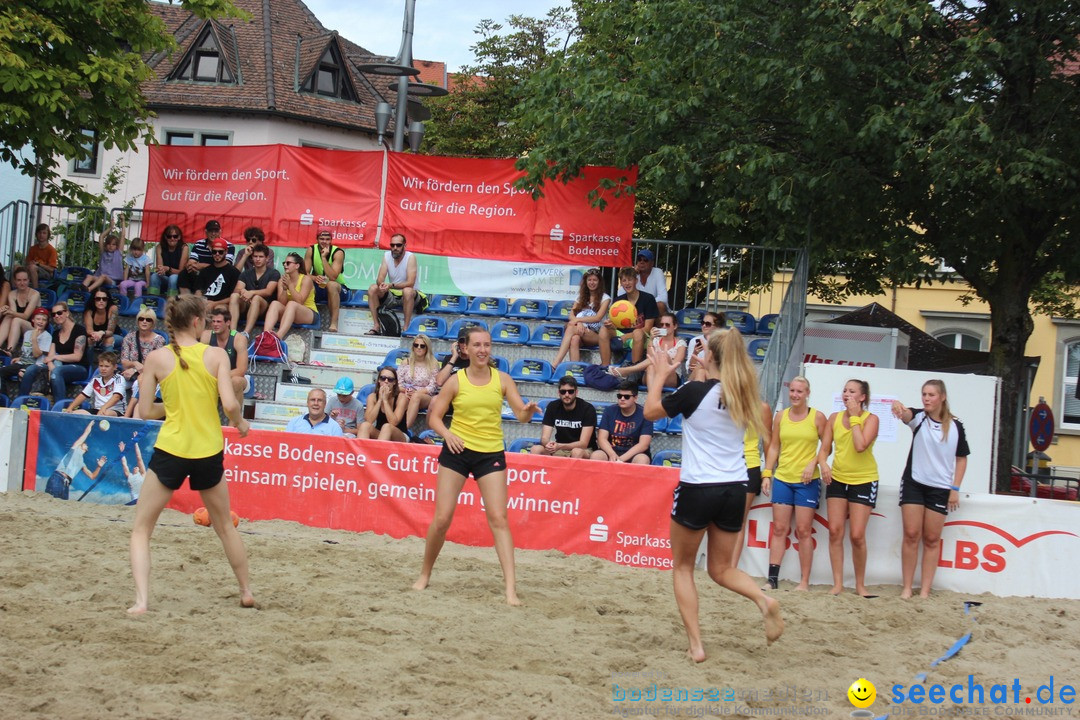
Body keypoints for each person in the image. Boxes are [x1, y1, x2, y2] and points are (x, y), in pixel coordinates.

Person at [642, 329, 783, 660]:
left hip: (699, 486)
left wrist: (661, 374)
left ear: (712, 357)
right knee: (721, 570)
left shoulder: (694, 391)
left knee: (683, 568)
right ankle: (764, 600)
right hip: (735, 487)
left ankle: (696, 645)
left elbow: (650, 411)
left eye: (704, 350)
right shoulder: (745, 395)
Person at [128, 294, 254, 614]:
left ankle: (142, 601)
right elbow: (228, 405)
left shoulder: (157, 358)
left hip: (172, 448)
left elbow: (144, 411)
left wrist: (172, 407)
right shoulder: (215, 356)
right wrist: (240, 424)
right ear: (198, 322)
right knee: (225, 526)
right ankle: (246, 591)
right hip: (207, 450)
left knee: (142, 529)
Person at [413, 328, 539, 605]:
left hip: (490, 453)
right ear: (466, 349)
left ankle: (510, 589)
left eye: (487, 345)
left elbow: (520, 415)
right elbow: (434, 418)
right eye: (477, 345)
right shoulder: (456, 381)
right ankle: (425, 573)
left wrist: (527, 412)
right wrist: (447, 435)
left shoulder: (503, 379)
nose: (483, 350)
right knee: (442, 518)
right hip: (457, 450)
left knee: (498, 518)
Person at [891, 379, 970, 599]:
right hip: (914, 483)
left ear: (942, 397)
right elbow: (904, 413)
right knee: (911, 534)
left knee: (932, 539)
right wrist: (897, 405)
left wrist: (955, 488)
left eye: (931, 395)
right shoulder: (919, 418)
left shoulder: (956, 425)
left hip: (940, 487)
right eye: (924, 394)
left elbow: (961, 459)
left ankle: (925, 590)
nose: (926, 398)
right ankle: (907, 587)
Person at [761, 376, 827, 591]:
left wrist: (813, 463)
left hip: (807, 481)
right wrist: (767, 473)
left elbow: (826, 448)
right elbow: (773, 447)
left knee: (803, 530)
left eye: (800, 391)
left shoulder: (817, 417)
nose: (796, 395)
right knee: (779, 528)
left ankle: (804, 581)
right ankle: (772, 579)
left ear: (808, 393)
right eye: (793, 391)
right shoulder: (781, 416)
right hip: (783, 478)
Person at [818, 379, 880, 597]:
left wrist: (855, 418)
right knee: (835, 531)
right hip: (838, 478)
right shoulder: (834, 418)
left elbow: (860, 445)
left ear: (862, 397)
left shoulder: (871, 419)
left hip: (863, 479)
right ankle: (837, 584)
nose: (846, 394)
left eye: (852, 391)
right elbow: (824, 449)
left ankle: (860, 585)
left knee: (857, 535)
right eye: (844, 390)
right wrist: (824, 463)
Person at [731, 399, 775, 571]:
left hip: (749, 465)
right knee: (721, 520)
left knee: (738, 521)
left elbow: (768, 442)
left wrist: (768, 472)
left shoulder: (762, 407)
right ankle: (721, 566)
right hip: (725, 465)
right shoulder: (725, 402)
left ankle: (731, 568)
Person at [19, 304, 89, 400]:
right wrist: (51, 363)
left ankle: (58, 406)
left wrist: (55, 358)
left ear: (67, 313)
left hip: (79, 368)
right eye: (54, 314)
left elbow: (77, 356)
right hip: (58, 366)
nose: (56, 316)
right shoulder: (56, 333)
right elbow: (50, 356)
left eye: (59, 313)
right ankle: (21, 400)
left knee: (57, 371)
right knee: (31, 369)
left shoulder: (79, 330)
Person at [598, 266, 659, 365]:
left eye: (630, 280)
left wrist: (627, 336)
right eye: (624, 280)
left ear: (636, 280)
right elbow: (615, 326)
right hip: (621, 335)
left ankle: (634, 372)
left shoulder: (648, 299)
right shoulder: (618, 300)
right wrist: (610, 325)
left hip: (641, 336)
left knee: (638, 333)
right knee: (603, 330)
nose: (627, 283)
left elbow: (648, 328)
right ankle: (605, 367)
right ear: (621, 283)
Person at [551, 268, 611, 367]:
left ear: (599, 282)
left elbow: (597, 318)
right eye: (589, 280)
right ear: (586, 282)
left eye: (595, 280)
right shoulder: (580, 297)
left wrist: (578, 320)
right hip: (580, 331)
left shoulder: (605, 298)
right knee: (574, 339)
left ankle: (556, 364)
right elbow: (571, 315)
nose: (592, 282)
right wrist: (579, 323)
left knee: (570, 327)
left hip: (597, 335)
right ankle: (575, 369)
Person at [613, 312, 687, 388]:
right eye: (662, 325)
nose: (664, 327)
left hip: (670, 376)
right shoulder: (655, 340)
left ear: (675, 326)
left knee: (662, 355)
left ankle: (629, 370)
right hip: (652, 374)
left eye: (667, 325)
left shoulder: (681, 344)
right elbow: (649, 359)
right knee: (651, 366)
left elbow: (674, 365)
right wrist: (651, 339)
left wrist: (664, 357)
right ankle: (652, 397)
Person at [531, 376, 596, 458]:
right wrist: (549, 444)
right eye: (563, 392)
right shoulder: (552, 406)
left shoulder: (587, 409)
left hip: (583, 450)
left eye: (570, 391)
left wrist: (559, 446)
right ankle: (541, 471)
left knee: (576, 452)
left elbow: (583, 443)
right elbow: (544, 438)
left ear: (576, 392)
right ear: (559, 393)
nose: (567, 394)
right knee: (535, 449)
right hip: (559, 449)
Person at [367, 233, 418, 336]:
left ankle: (406, 328)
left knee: (407, 291)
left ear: (404, 246)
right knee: (373, 288)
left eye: (398, 245)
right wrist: (382, 285)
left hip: (410, 296)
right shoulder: (386, 255)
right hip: (393, 295)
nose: (395, 248)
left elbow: (410, 283)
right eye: (392, 245)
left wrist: (391, 285)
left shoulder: (410, 257)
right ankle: (377, 325)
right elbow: (380, 278)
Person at [591, 380, 653, 464]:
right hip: (611, 451)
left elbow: (643, 444)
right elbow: (602, 439)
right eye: (619, 396)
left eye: (626, 397)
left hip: (634, 454)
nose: (622, 399)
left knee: (642, 459)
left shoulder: (645, 414)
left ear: (635, 398)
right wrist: (612, 455)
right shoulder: (609, 411)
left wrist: (621, 459)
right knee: (596, 456)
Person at [44, 422, 105, 500]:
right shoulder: (74, 449)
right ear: (81, 445)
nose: (86, 444)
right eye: (84, 443)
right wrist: (90, 425)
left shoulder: (82, 463)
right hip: (58, 478)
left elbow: (92, 476)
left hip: (66, 484)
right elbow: (85, 434)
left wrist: (99, 467)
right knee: (51, 503)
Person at [228, 242, 279, 335]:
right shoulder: (246, 273)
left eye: (261, 256)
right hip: (247, 305)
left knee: (256, 298)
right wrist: (242, 291)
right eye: (255, 256)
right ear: (252, 258)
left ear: (267, 258)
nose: (257, 259)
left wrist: (251, 292)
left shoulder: (274, 273)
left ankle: (246, 333)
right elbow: (237, 290)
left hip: (264, 308)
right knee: (234, 296)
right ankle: (232, 332)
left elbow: (268, 291)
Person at [262, 252, 317, 339]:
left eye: (288, 263)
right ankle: (265, 335)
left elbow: (300, 301)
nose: (285, 265)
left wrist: (290, 285)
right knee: (275, 304)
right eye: (284, 263)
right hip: (290, 311)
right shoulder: (282, 280)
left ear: (297, 266)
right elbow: (282, 303)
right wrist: (284, 289)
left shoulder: (306, 279)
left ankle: (278, 337)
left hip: (308, 312)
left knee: (292, 304)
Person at [200, 307, 249, 399]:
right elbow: (201, 362)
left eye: (219, 322)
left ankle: (236, 413)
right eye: (213, 321)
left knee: (236, 381)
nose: (215, 324)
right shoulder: (206, 336)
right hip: (212, 377)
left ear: (228, 323)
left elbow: (241, 371)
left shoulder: (239, 339)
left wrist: (218, 377)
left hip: (233, 376)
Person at [304, 228, 347, 333]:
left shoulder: (338, 252)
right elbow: (304, 273)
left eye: (327, 239)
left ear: (331, 240)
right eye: (321, 239)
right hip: (320, 286)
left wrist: (324, 258)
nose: (324, 242)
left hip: (339, 288)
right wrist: (314, 277)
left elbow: (332, 277)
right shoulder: (311, 250)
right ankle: (305, 320)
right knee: (305, 283)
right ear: (317, 239)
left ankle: (333, 323)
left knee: (331, 285)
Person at [0, 306, 51, 394]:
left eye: (44, 320)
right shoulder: (27, 333)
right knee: (1, 372)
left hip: (35, 365)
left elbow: (36, 355)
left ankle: (21, 398)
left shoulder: (47, 336)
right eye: (38, 319)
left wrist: (34, 339)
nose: (41, 322)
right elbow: (26, 351)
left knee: (22, 373)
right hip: (23, 363)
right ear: (33, 320)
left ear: (46, 322)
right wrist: (20, 358)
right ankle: (4, 400)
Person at [179, 220, 233, 295]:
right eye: (211, 231)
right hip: (200, 274)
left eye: (216, 231)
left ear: (220, 232)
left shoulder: (229, 246)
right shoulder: (198, 244)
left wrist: (201, 266)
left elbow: (226, 266)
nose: (213, 233)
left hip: (219, 275)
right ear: (206, 232)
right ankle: (187, 301)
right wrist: (193, 265)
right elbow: (191, 262)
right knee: (184, 273)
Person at [357, 366, 410, 442]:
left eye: (390, 379)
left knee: (387, 427)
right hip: (380, 434)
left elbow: (393, 422)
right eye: (383, 378)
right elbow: (369, 420)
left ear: (395, 382)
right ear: (379, 380)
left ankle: (379, 453)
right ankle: (362, 453)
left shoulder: (401, 398)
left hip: (400, 435)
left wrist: (385, 400)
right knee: (365, 426)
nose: (386, 381)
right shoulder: (372, 397)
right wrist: (379, 400)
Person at [65, 351, 125, 416]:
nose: (103, 369)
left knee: (105, 413)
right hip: (98, 410)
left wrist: (103, 408)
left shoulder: (119, 379)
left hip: (116, 411)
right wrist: (70, 408)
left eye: (107, 366)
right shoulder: (95, 379)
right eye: (101, 366)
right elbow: (83, 395)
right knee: (76, 414)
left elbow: (116, 397)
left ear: (115, 367)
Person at [401, 333, 440, 431]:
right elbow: (398, 382)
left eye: (422, 346)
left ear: (427, 348)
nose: (419, 348)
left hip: (424, 396)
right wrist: (406, 391)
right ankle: (394, 426)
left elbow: (432, 387)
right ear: (413, 347)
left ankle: (405, 428)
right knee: (402, 397)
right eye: (416, 345)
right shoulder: (406, 362)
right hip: (407, 392)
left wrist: (416, 392)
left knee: (416, 396)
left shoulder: (433, 363)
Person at [1, 267, 42, 357]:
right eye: (19, 280)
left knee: (16, 319)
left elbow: (26, 316)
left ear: (29, 280)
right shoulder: (12, 294)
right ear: (15, 281)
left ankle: (9, 350)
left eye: (25, 280)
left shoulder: (35, 294)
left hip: (35, 328)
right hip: (19, 325)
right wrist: (4, 310)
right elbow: (13, 312)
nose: (22, 283)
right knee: (9, 317)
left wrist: (9, 311)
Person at [195, 238, 241, 310]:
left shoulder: (234, 272)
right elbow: (198, 290)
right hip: (205, 303)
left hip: (222, 305)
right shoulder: (204, 271)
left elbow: (234, 297)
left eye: (220, 252)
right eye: (214, 251)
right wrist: (201, 302)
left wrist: (214, 304)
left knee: (219, 309)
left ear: (226, 252)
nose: (217, 254)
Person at [83, 218, 125, 292]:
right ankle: (81, 289)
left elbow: (123, 236)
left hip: (112, 281)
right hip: (99, 279)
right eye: (108, 244)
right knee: (89, 276)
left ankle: (88, 289)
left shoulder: (118, 253)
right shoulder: (103, 253)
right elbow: (101, 237)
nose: (111, 246)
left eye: (113, 244)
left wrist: (123, 221)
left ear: (116, 246)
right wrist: (110, 228)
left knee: (103, 276)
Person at [686, 312, 723, 382]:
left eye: (708, 324)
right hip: (695, 374)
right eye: (702, 323)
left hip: (717, 375)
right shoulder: (694, 341)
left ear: (717, 327)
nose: (704, 326)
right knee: (700, 370)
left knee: (701, 370)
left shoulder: (723, 342)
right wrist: (695, 353)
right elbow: (690, 368)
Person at [152, 225, 188, 296]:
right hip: (165, 277)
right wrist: (161, 270)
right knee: (154, 276)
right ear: (165, 237)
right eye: (169, 236)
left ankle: (171, 302)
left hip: (178, 279)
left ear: (179, 237)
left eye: (175, 236)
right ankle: (153, 301)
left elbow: (181, 272)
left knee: (173, 278)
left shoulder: (184, 247)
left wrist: (168, 269)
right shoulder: (159, 247)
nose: (172, 238)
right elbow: (159, 268)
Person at [634, 249, 669, 317]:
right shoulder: (633, 273)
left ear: (652, 263)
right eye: (639, 259)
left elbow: (663, 297)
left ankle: (660, 327)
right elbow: (620, 293)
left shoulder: (658, 272)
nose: (642, 262)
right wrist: (632, 275)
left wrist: (644, 304)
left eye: (645, 260)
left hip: (652, 307)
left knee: (660, 305)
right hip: (636, 308)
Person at [26, 223, 58, 289]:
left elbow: (52, 269)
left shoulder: (52, 250)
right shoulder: (32, 249)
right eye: (39, 233)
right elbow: (27, 263)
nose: (41, 235)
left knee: (32, 267)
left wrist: (38, 264)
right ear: (36, 234)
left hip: (45, 273)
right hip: (31, 269)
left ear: (48, 235)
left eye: (44, 233)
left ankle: (36, 291)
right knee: (16, 267)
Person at [119, 437, 147, 504]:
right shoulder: (130, 476)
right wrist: (122, 453)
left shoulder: (143, 474)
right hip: (135, 501)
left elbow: (139, 458)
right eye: (135, 467)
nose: (135, 467)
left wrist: (135, 443)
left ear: (139, 470)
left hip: (143, 500)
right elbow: (124, 464)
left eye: (137, 467)